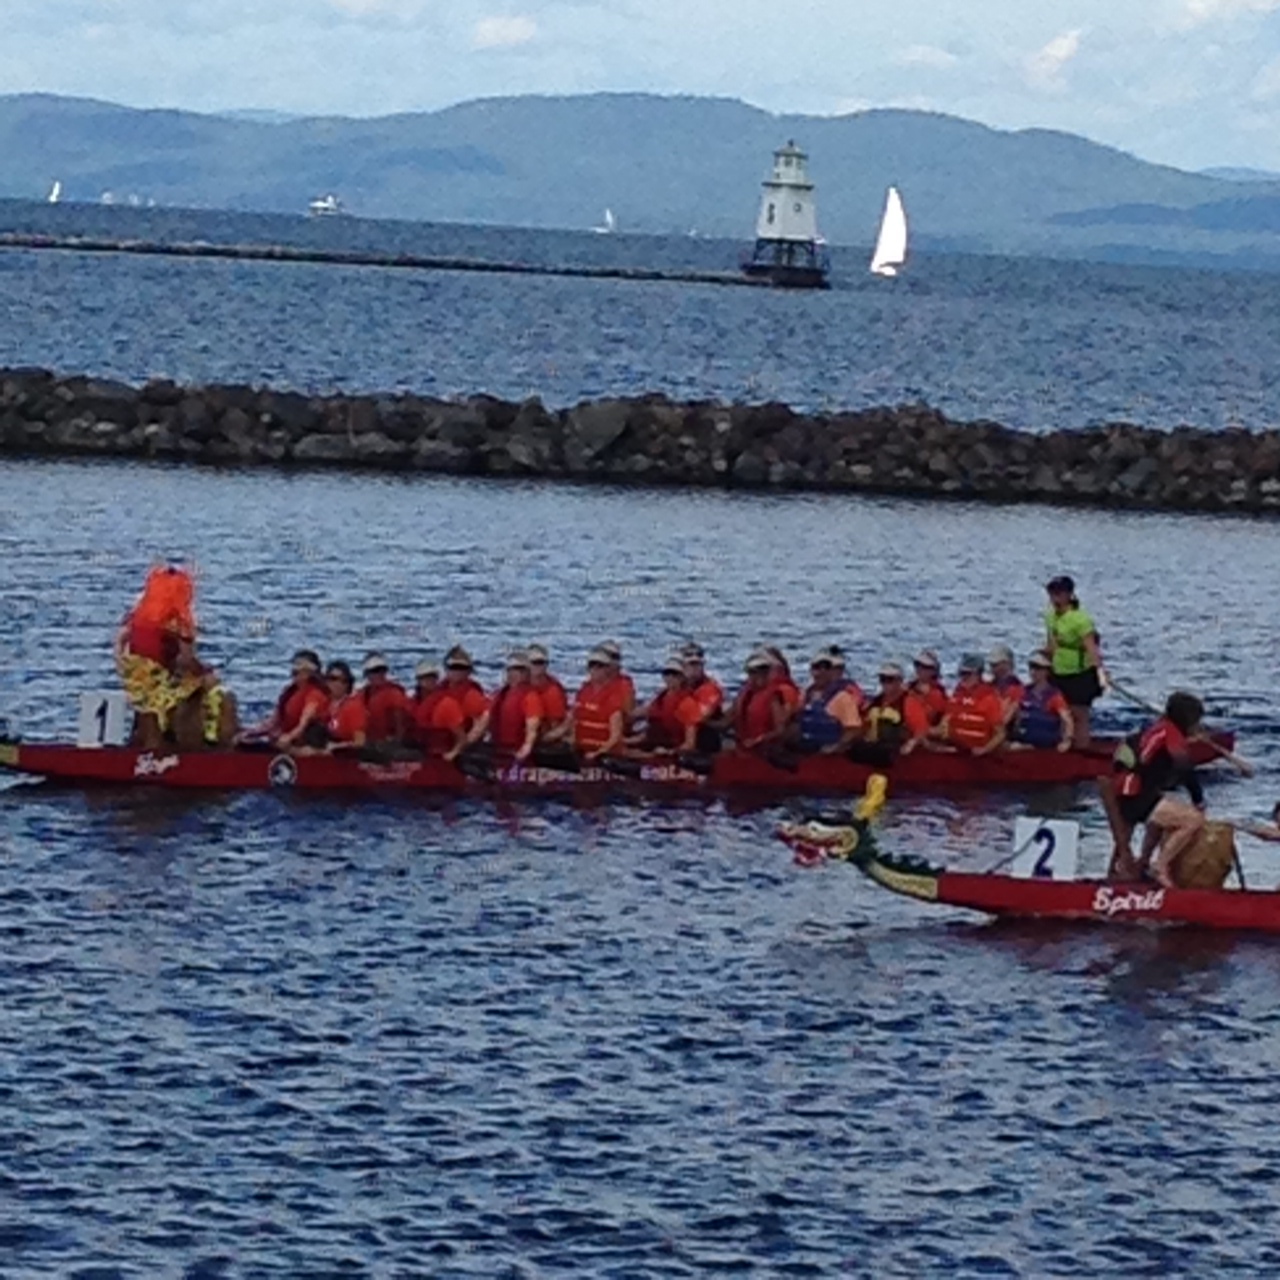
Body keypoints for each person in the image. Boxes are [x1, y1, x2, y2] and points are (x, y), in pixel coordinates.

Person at [1099, 691, 1207, 887]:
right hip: (1135, 794)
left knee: (1160, 817)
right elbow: (1185, 768)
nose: (1198, 726)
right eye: (1196, 721)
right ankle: (1160, 865)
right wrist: (1198, 800)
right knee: (1194, 820)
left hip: (1126, 789)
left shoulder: (1155, 729)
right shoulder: (1170, 733)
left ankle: (1141, 864)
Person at [114, 563, 206, 748]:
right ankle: (182, 742)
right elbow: (186, 660)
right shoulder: (179, 621)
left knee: (147, 708)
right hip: (158, 679)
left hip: (135, 674)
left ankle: (140, 741)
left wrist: (122, 661)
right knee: (199, 688)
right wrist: (202, 671)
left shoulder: (139, 614)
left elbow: (121, 640)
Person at [1044, 574, 1109, 749]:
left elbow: (1092, 648)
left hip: (1080, 673)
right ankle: (1061, 745)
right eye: (1052, 594)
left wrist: (1101, 674)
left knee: (1079, 714)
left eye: (1059, 594)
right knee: (1059, 712)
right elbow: (1051, 645)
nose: (1054, 598)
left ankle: (1082, 749)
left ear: (1068, 595)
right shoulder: (1050, 617)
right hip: (1058, 671)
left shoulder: (1080, 619)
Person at [238, 649, 331, 750]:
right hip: (282, 737)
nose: (295, 672)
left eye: (300, 669)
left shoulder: (314, 694)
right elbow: (274, 721)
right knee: (243, 742)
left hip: (300, 744)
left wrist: (288, 737)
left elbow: (303, 724)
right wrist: (251, 732)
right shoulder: (289, 692)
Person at [554, 645, 628, 761]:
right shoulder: (583, 691)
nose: (595, 669)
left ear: (607, 669)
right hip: (582, 750)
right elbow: (572, 722)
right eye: (592, 665)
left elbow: (615, 737)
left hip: (604, 755)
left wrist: (597, 753)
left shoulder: (613, 696)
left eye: (600, 666)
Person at [794, 646, 865, 754]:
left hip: (832, 756)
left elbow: (854, 730)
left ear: (831, 671)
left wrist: (836, 747)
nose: (821, 672)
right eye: (817, 667)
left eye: (826, 668)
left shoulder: (842, 697)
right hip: (807, 751)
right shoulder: (805, 695)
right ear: (811, 671)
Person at [428, 647, 491, 762]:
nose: (457, 672)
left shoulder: (471, 695)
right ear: (446, 669)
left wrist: (463, 746)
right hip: (435, 744)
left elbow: (484, 718)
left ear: (468, 671)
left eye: (461, 668)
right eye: (453, 667)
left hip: (457, 749)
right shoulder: (439, 689)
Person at [631, 656, 703, 754]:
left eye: (675, 674)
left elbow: (690, 743)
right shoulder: (661, 697)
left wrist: (670, 752)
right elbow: (650, 721)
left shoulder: (688, 703)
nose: (670, 677)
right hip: (654, 743)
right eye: (667, 673)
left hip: (672, 748)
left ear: (682, 677)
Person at [940, 654, 1007, 755]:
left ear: (978, 675)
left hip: (976, 754)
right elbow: (945, 721)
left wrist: (985, 749)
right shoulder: (957, 693)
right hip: (955, 749)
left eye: (968, 674)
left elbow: (1000, 733)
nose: (963, 677)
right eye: (961, 673)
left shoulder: (988, 698)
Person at [862, 661, 933, 756]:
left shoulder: (909, 701)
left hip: (897, 749)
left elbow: (922, 729)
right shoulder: (876, 701)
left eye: (889, 679)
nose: (885, 683)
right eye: (882, 679)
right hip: (875, 744)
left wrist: (911, 743)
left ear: (899, 681)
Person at [487, 651, 544, 762]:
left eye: (519, 670)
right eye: (511, 669)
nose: (514, 673)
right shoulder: (501, 694)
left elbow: (532, 725)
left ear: (527, 673)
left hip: (517, 751)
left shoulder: (530, 697)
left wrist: (527, 746)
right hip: (500, 748)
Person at [1010, 651, 1073, 752]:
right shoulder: (1023, 691)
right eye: (1031, 667)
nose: (1033, 672)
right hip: (1023, 739)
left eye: (1038, 668)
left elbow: (1067, 720)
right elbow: (1010, 713)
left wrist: (1067, 741)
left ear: (1046, 671)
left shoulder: (1054, 695)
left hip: (1045, 743)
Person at [730, 650, 790, 751]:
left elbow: (780, 730)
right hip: (744, 747)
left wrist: (759, 740)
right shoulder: (744, 694)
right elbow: (728, 719)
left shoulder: (773, 696)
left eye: (763, 671)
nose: (759, 675)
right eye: (753, 672)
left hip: (766, 751)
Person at [679, 643, 725, 752]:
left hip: (703, 748)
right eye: (691, 665)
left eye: (697, 665)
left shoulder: (711, 688)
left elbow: (700, 716)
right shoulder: (680, 686)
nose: (694, 669)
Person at [359, 653, 411, 746]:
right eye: (375, 671)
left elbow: (401, 727)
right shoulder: (361, 694)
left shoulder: (394, 695)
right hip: (368, 744)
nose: (379, 674)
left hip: (387, 747)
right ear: (367, 674)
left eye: (382, 670)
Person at [320, 660, 367, 751]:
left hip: (345, 756)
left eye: (344, 681)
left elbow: (360, 742)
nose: (338, 684)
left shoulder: (354, 707)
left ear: (348, 684)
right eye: (333, 678)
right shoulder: (324, 703)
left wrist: (337, 746)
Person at [528, 644, 569, 740]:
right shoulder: (521, 685)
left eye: (540, 662)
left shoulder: (552, 691)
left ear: (546, 665)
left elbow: (555, 726)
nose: (537, 666)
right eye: (534, 662)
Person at [908, 650, 949, 726]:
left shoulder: (939, 695)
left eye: (925, 667)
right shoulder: (907, 688)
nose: (919, 669)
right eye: (917, 665)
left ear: (933, 671)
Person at [987, 644, 1024, 726]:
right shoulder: (989, 686)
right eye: (992, 665)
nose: (994, 669)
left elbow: (1005, 719)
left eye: (996, 665)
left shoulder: (1018, 688)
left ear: (1009, 664)